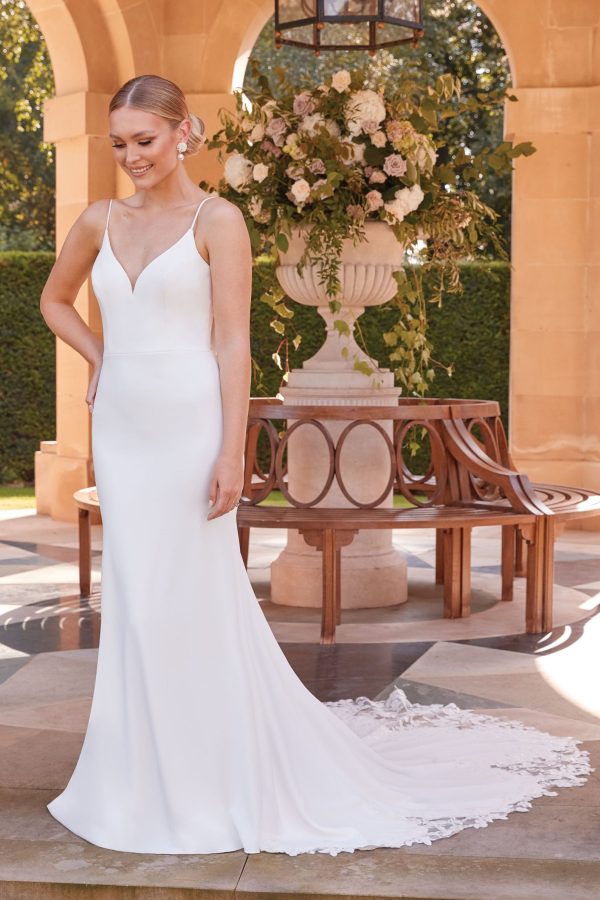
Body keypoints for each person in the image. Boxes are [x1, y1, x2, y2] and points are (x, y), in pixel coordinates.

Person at [40, 74, 591, 857]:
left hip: (192, 428)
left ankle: (206, 777)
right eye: (120, 143)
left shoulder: (217, 220)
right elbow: (55, 301)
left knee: (187, 596)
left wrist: (235, 449)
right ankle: (134, 774)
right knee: (137, 599)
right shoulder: (97, 220)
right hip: (126, 430)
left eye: (146, 140)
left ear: (184, 133)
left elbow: (233, 343)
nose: (132, 156)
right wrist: (103, 358)